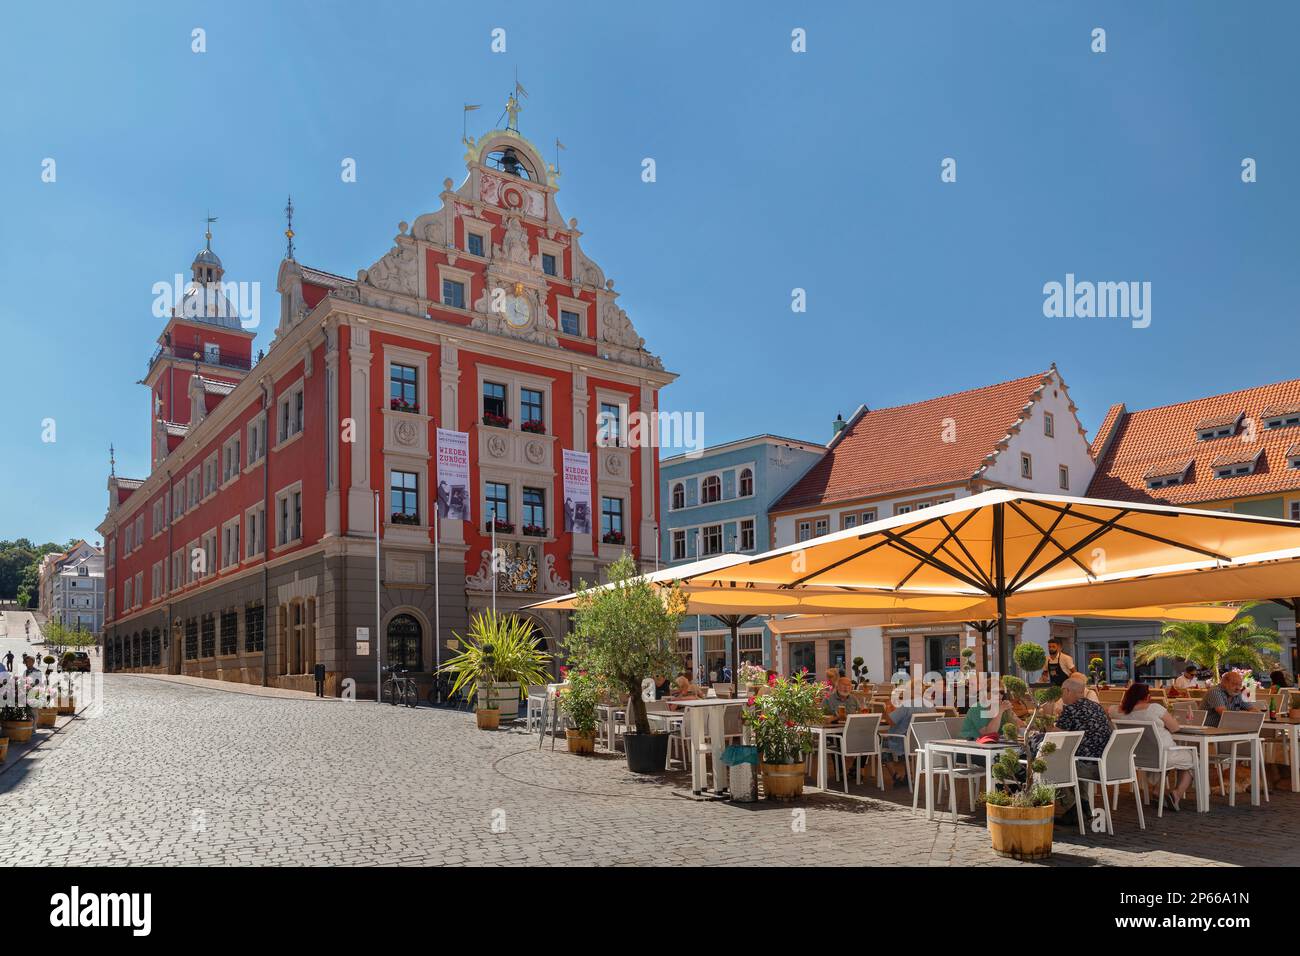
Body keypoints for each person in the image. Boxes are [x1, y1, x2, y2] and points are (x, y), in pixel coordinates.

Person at [1118, 683, 1194, 811]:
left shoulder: (1124, 712)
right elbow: (1175, 728)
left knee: (1169, 760)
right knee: (1192, 758)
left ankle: (1158, 791)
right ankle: (1176, 794)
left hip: (1139, 758)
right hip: (1163, 755)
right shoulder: (1155, 708)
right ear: (1147, 697)